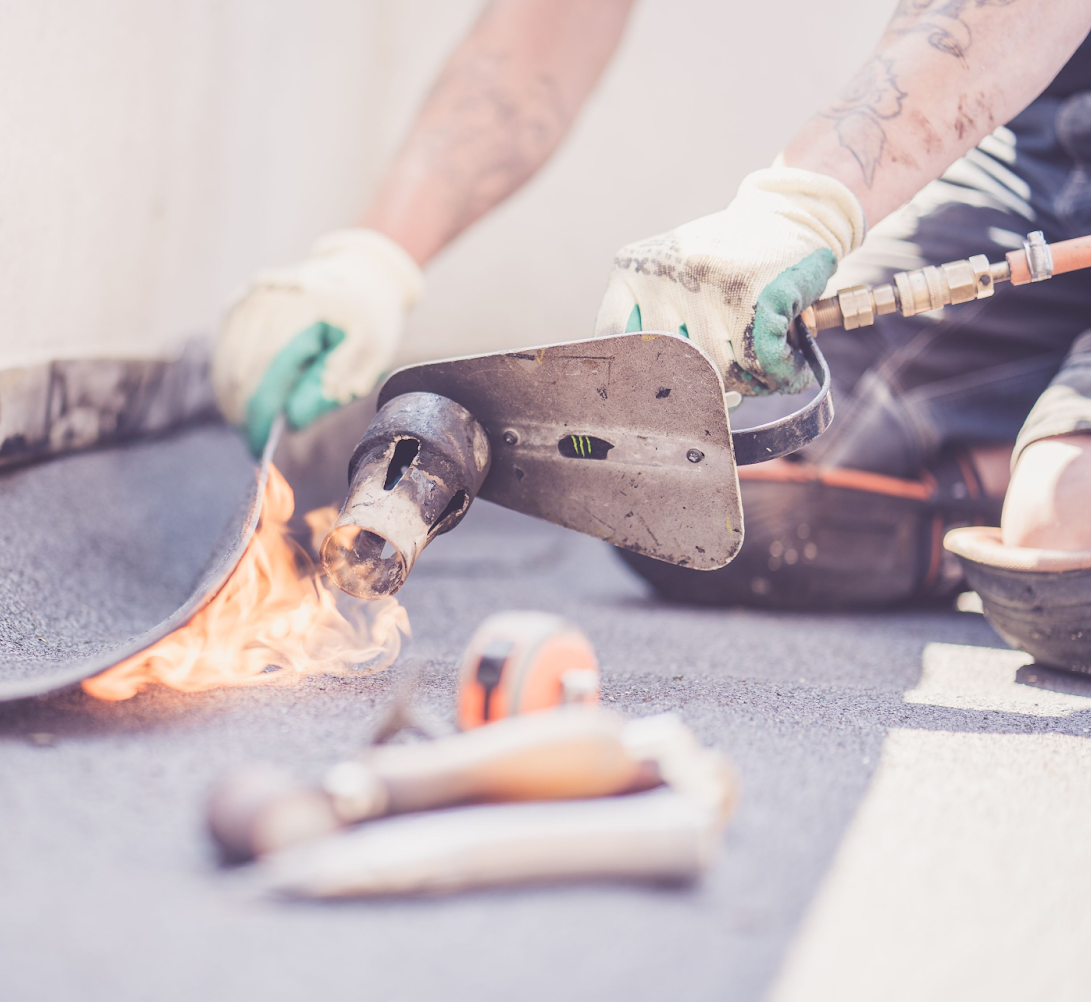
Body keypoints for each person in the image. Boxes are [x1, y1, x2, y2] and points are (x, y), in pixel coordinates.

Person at [211, 0, 1091, 671]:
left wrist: (803, 200)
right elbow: (546, 31)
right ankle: (998, 472)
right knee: (712, 484)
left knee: (1064, 528)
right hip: (1039, 161)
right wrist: (376, 257)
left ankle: (1036, 484)